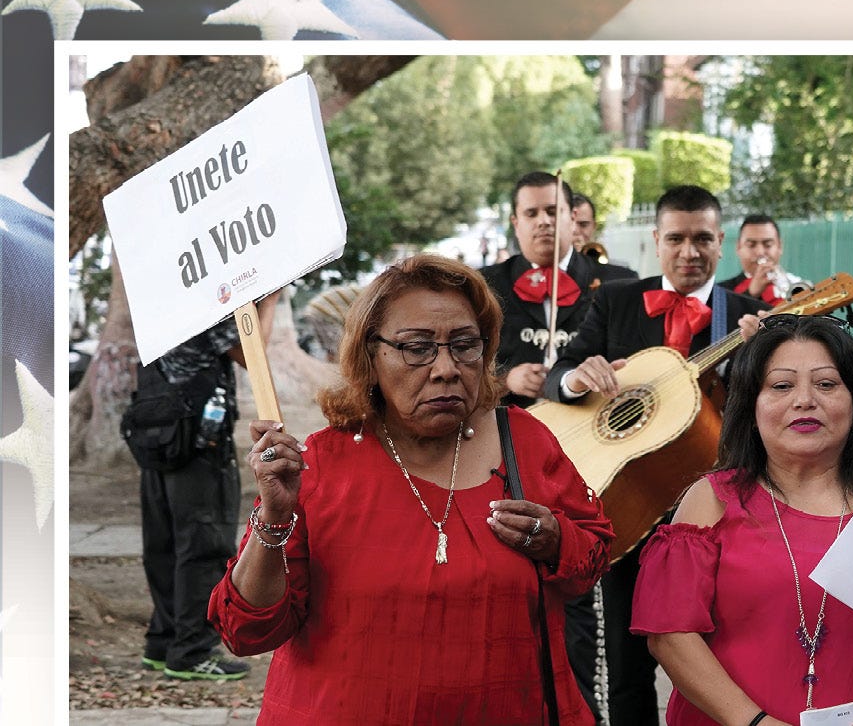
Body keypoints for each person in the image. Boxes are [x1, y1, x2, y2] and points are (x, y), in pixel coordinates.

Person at [207, 254, 613, 724]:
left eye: (465, 345)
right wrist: (273, 520)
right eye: (417, 348)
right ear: (369, 355)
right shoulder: (317, 466)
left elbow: (593, 556)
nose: (445, 368)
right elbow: (247, 632)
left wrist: (556, 540)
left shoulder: (523, 440)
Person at [634, 313, 853, 726]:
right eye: (781, 386)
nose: (805, 400)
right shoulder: (711, 500)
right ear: (750, 405)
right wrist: (756, 724)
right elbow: (670, 635)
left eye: (826, 384)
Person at [545, 184, 770, 724]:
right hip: (629, 502)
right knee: (626, 666)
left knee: (725, 658)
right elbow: (559, 375)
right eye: (676, 238)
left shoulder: (750, 315)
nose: (689, 252)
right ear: (655, 240)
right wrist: (579, 378)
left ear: (721, 242)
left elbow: (774, 402)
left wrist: (752, 360)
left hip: (716, 511)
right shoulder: (618, 298)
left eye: (702, 239)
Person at [125, 294, 276, 681]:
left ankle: (161, 643)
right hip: (198, 443)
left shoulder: (158, 297)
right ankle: (191, 652)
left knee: (164, 544)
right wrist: (271, 298)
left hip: (157, 436)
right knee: (203, 547)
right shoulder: (207, 298)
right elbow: (249, 353)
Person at [482, 172, 609, 408]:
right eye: (531, 213)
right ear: (516, 223)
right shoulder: (484, 285)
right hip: (511, 429)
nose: (544, 221)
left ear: (572, 218)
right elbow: (463, 365)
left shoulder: (615, 282)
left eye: (552, 211)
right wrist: (505, 379)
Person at [719, 214, 808, 305]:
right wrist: (750, 294)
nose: (760, 252)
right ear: (738, 247)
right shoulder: (720, 292)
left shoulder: (797, 284)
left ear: (780, 246)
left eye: (768, 245)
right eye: (751, 245)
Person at [571, 192, 641, 283]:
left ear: (594, 227)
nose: (575, 231)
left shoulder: (623, 276)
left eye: (583, 225)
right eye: (569, 224)